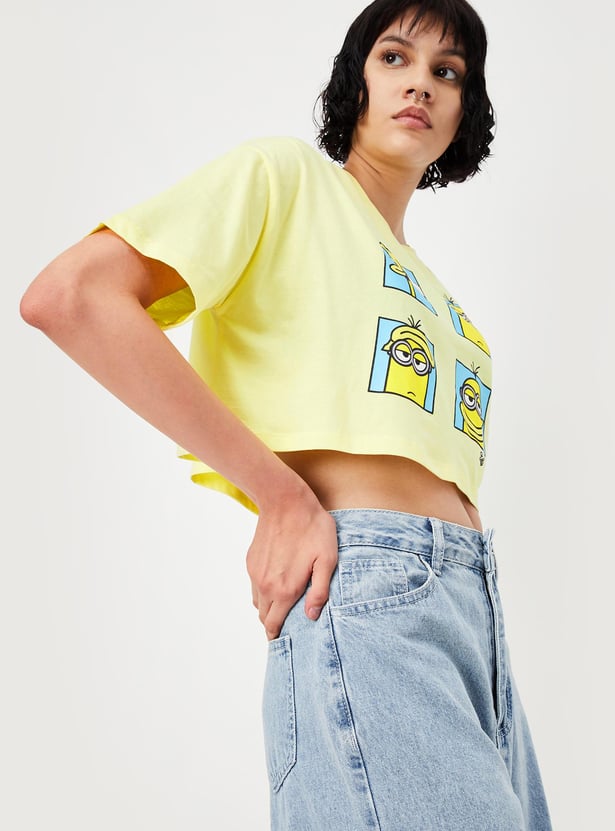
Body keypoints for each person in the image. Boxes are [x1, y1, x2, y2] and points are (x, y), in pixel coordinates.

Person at [20, 0, 553, 827]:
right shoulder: (287, 178)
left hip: (474, 610)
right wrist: (280, 495)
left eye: (446, 72)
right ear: (354, 81)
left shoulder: (443, 300)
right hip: (374, 589)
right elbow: (72, 296)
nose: (419, 83)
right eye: (394, 58)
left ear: (463, 112)